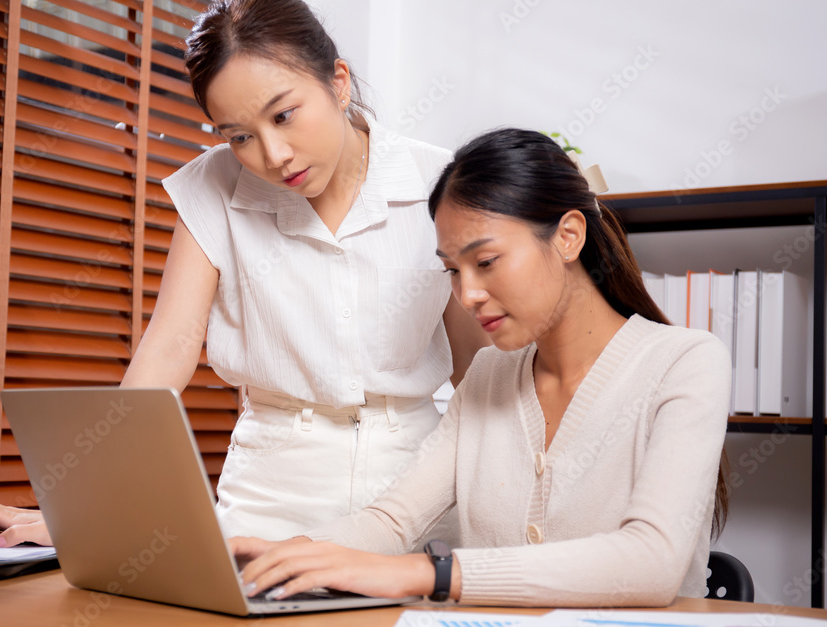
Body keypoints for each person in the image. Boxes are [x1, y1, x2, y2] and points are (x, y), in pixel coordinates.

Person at [0, 0, 488, 547]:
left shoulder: (439, 182)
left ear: (338, 82)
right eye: (240, 136)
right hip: (269, 498)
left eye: (285, 115)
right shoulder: (212, 184)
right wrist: (85, 510)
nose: (273, 156)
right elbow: (168, 351)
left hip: (415, 489)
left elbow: (477, 369)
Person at [229, 128, 731, 607]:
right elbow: (392, 521)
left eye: (485, 261)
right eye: (452, 269)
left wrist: (431, 575)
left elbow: (652, 561)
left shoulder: (685, 362)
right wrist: (282, 557)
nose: (466, 295)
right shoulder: (489, 375)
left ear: (568, 236)